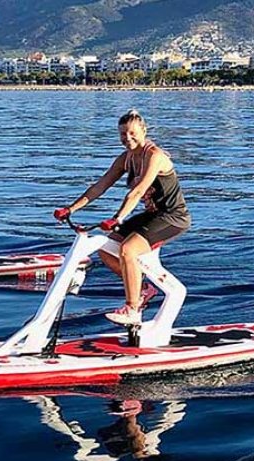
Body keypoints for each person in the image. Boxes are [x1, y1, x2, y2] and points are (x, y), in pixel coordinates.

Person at [54, 110, 192, 325]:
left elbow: (138, 191)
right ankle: (143, 289)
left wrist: (118, 217)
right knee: (106, 249)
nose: (127, 138)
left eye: (132, 133)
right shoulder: (125, 158)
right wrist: (71, 209)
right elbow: (100, 186)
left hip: (173, 217)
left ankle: (132, 309)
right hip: (151, 216)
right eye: (123, 134)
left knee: (128, 249)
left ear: (144, 131)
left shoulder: (155, 156)